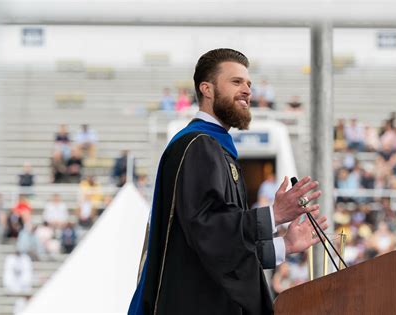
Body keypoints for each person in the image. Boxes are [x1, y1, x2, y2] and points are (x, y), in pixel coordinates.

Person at [128, 48, 327, 315]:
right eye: (236, 82)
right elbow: (208, 231)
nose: (247, 90)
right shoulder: (198, 146)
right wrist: (272, 215)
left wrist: (285, 245)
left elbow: (222, 251)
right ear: (207, 89)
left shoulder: (213, 147)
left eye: (248, 84)